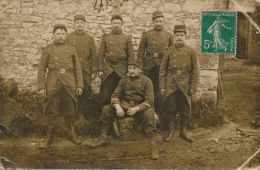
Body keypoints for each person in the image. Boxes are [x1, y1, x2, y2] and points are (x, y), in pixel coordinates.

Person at [92, 59, 159, 160]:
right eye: (129, 68)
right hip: (125, 106)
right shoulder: (124, 80)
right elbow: (115, 95)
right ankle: (103, 137)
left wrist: (137, 108)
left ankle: (153, 146)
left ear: (140, 70)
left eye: (134, 68)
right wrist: (117, 106)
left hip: (141, 107)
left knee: (149, 116)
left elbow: (149, 100)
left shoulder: (147, 81)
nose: (131, 70)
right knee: (106, 109)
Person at [38, 24, 83, 149]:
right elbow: (41, 70)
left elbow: (78, 69)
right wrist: (41, 87)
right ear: (53, 35)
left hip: (69, 81)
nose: (60, 36)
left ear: (66, 35)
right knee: (51, 109)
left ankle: (71, 133)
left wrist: (79, 85)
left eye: (63, 33)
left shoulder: (72, 49)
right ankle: (49, 136)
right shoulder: (47, 50)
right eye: (58, 33)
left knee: (70, 108)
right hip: (53, 80)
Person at [159, 25, 200, 143]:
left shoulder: (191, 51)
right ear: (174, 37)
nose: (179, 38)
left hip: (185, 84)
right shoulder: (169, 51)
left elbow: (196, 70)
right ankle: (171, 131)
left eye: (181, 35)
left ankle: (183, 132)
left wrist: (193, 87)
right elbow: (162, 70)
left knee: (185, 108)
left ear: (185, 36)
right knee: (170, 108)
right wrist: (162, 86)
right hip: (171, 83)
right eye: (177, 35)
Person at [138, 11, 174, 114]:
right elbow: (140, 52)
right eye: (156, 21)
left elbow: (172, 53)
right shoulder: (147, 34)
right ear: (153, 22)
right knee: (148, 90)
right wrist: (140, 66)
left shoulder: (169, 35)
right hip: (149, 66)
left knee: (160, 92)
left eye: (160, 21)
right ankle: (148, 113)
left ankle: (159, 114)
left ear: (164, 22)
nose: (158, 23)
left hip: (162, 67)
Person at [97, 14, 134, 105]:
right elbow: (101, 54)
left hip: (121, 68)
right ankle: (105, 115)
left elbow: (131, 55)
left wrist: (130, 70)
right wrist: (100, 69)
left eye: (118, 23)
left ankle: (120, 115)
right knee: (106, 93)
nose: (116, 25)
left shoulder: (127, 38)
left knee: (121, 92)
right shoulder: (106, 37)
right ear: (111, 24)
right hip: (109, 68)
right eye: (114, 23)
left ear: (122, 24)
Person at [67, 15, 97, 116]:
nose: (79, 24)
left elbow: (94, 55)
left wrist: (94, 69)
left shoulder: (89, 38)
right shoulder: (69, 37)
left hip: (85, 66)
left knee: (86, 88)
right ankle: (72, 112)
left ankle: (81, 113)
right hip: (73, 66)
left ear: (84, 24)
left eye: (81, 22)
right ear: (74, 24)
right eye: (77, 22)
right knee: (73, 87)